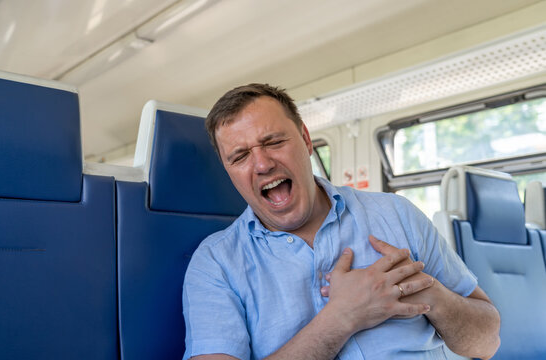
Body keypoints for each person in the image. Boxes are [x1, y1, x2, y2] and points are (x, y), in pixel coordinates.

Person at [182, 83, 500, 360]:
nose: (263, 164)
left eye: (274, 142)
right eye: (240, 156)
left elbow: (487, 343)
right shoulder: (216, 264)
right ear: (229, 172)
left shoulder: (397, 214)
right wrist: (343, 316)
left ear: (306, 140)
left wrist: (425, 292)